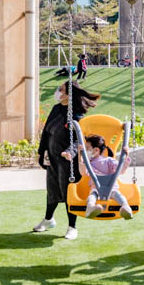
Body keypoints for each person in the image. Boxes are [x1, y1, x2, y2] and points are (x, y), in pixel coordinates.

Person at [35, 81, 101, 240]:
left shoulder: (76, 114)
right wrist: (41, 151)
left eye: (61, 90)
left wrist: (69, 152)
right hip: (53, 158)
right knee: (52, 190)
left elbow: (79, 139)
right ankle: (48, 219)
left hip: (68, 163)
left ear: (69, 95)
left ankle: (72, 227)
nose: (57, 92)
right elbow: (46, 132)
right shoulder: (56, 109)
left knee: (68, 193)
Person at [67, 134, 133, 219]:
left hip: (111, 187)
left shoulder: (109, 161)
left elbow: (121, 170)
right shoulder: (88, 163)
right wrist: (80, 156)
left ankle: (125, 207)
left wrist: (126, 156)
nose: (85, 151)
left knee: (118, 195)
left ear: (96, 150)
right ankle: (90, 207)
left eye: (87, 149)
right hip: (96, 188)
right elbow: (83, 172)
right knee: (92, 196)